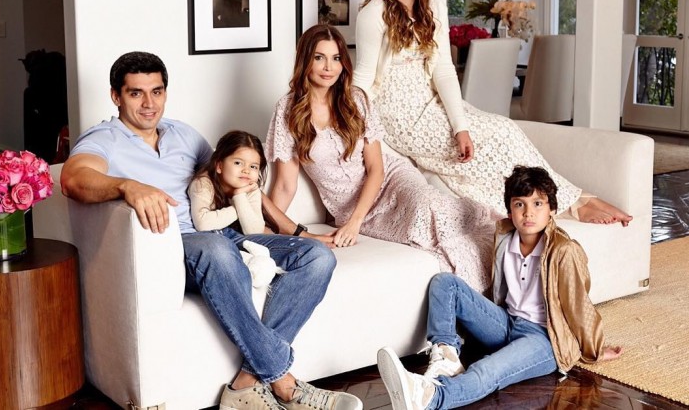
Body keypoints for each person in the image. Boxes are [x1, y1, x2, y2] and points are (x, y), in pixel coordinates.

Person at [60, 51, 362, 410]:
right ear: (116, 96)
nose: (149, 103)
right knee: (215, 249)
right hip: (177, 247)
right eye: (136, 93)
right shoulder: (105, 138)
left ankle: (246, 382)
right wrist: (127, 185)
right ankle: (285, 383)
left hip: (226, 236)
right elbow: (73, 178)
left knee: (317, 257)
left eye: (157, 91)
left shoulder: (183, 135)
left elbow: (237, 179)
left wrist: (296, 232)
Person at [352, 0, 632, 226]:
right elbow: (362, 75)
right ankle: (572, 202)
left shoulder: (432, 7)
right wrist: (349, 119)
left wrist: (460, 127)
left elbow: (444, 70)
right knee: (494, 139)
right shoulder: (374, 13)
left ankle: (567, 198)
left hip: (431, 101)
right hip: (399, 114)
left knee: (505, 129)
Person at [267, 24, 496, 292]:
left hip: (391, 181)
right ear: (305, 59)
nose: (329, 67)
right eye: (319, 57)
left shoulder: (355, 100)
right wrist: (264, 228)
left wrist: (354, 223)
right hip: (351, 210)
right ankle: (468, 286)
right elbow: (285, 185)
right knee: (424, 234)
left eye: (336, 58)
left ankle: (494, 241)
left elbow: (376, 168)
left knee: (429, 206)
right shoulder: (288, 111)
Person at [376, 166, 624, 410]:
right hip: (507, 322)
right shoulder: (505, 238)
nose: (528, 213)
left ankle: (429, 398)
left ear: (552, 210)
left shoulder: (563, 250)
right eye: (520, 204)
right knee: (445, 283)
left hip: (543, 339)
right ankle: (447, 356)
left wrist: (593, 350)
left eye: (538, 204)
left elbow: (579, 306)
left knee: (487, 369)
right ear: (509, 210)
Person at [189, 130, 267, 236]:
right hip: (215, 238)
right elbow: (202, 224)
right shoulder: (203, 184)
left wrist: (239, 195)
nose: (246, 170)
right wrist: (238, 207)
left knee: (291, 243)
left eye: (253, 166)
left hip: (241, 238)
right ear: (219, 166)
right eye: (238, 163)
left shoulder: (250, 189)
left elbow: (254, 232)